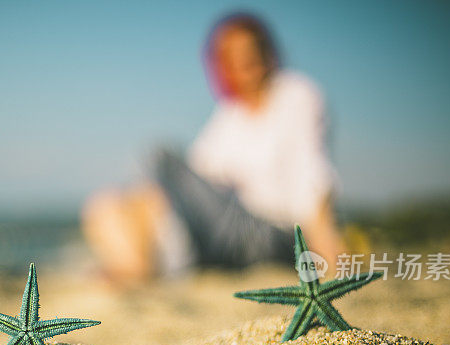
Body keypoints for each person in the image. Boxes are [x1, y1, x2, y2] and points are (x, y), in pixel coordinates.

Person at [81, 12, 346, 283]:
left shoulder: (295, 94)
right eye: (233, 55)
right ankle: (139, 268)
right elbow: (200, 175)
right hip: (227, 232)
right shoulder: (230, 115)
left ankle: (145, 267)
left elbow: (312, 178)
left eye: (252, 50)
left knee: (160, 157)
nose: (245, 60)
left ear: (268, 52)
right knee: (106, 204)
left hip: (275, 234)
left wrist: (327, 255)